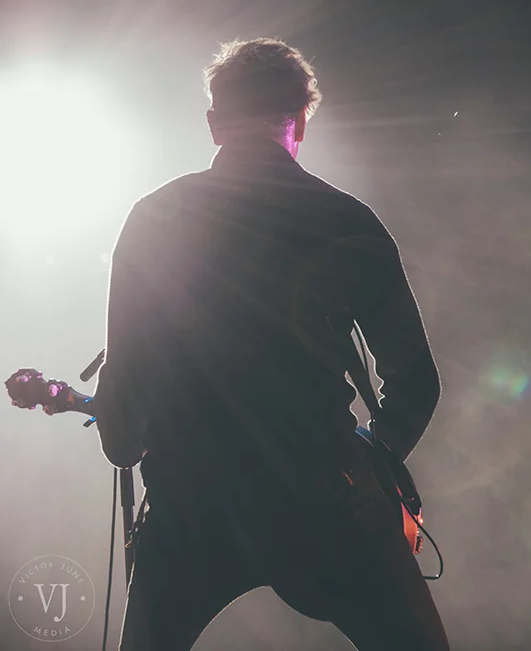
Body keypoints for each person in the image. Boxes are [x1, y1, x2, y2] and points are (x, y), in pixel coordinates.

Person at [92, 38, 449, 650]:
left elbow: (124, 395)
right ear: (301, 120)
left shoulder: (153, 217)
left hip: (191, 499)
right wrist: (369, 459)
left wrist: (129, 445)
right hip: (324, 492)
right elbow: (417, 380)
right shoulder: (346, 218)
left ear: (214, 124)